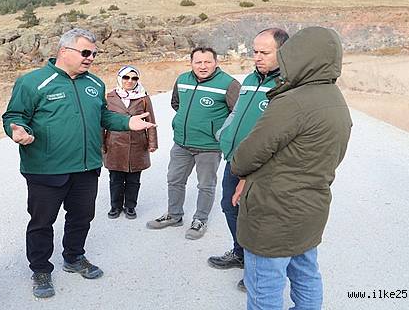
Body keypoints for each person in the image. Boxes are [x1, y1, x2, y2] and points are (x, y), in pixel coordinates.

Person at [2, 28, 156, 299]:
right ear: (64, 51)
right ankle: (40, 269)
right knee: (42, 222)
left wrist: (127, 122)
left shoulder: (95, 84)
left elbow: (104, 118)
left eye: (94, 54)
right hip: (45, 169)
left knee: (82, 216)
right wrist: (17, 130)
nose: (90, 58)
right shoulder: (33, 82)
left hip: (86, 167)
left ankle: (74, 256)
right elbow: (14, 115)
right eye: (85, 52)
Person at [230, 26, 352, 309]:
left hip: (274, 213)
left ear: (303, 58)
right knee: (307, 275)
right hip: (311, 209)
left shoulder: (292, 101)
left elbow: (244, 158)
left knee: (264, 291)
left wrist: (245, 170)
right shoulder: (334, 99)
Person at [208, 28, 289, 291]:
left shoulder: (286, 85)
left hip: (261, 167)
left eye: (264, 52)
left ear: (284, 52)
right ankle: (240, 254)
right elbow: (237, 112)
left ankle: (257, 272)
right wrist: (224, 135)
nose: (257, 57)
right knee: (230, 208)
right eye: (255, 52)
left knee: (256, 219)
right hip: (235, 160)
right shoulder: (250, 80)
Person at [146, 47, 241, 240]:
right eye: (198, 62)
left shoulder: (229, 84)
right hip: (181, 143)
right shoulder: (182, 80)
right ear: (191, 63)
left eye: (207, 62)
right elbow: (176, 104)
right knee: (174, 179)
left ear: (216, 62)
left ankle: (200, 220)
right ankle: (174, 215)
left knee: (205, 185)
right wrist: (184, 121)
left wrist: (217, 132)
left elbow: (237, 114)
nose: (203, 66)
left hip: (209, 146)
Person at [103, 65, 158, 219]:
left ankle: (130, 206)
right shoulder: (109, 97)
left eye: (134, 78)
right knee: (115, 179)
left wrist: (152, 143)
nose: (130, 81)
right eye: (126, 77)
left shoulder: (143, 97)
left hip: (137, 144)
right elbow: (102, 122)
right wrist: (101, 143)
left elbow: (151, 121)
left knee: (134, 179)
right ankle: (115, 206)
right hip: (114, 144)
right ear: (120, 78)